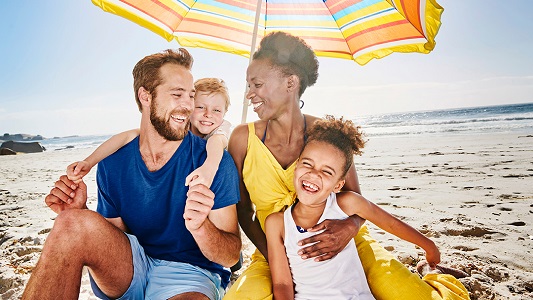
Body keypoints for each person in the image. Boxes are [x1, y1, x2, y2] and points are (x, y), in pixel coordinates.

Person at [224, 31, 469, 299]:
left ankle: (434, 275)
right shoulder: (241, 138)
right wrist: (278, 255)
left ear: (290, 83)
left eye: (257, 84)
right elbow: (243, 209)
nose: (249, 94)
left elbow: (355, 200)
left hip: (344, 246)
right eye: (248, 85)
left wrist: (349, 228)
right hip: (272, 249)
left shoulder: (325, 133)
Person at [22, 49, 241, 300]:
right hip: (132, 266)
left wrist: (201, 228)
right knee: (70, 223)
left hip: (189, 274)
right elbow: (118, 236)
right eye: (177, 94)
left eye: (190, 95)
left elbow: (231, 255)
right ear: (145, 96)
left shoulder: (213, 162)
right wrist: (81, 214)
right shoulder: (113, 162)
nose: (188, 105)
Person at [266, 116, 452, 299]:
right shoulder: (277, 223)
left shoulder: (346, 204)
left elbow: (391, 224)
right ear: (297, 166)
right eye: (307, 163)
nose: (313, 174)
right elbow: (282, 283)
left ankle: (431, 272)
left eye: (326, 171)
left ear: (338, 185)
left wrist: (429, 247)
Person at [67, 77, 232, 189]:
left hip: (211, 177)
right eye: (200, 107)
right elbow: (129, 136)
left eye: (216, 110)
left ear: (224, 113)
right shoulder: (181, 124)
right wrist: (89, 162)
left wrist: (209, 168)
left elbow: (216, 142)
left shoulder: (220, 129)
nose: (208, 114)